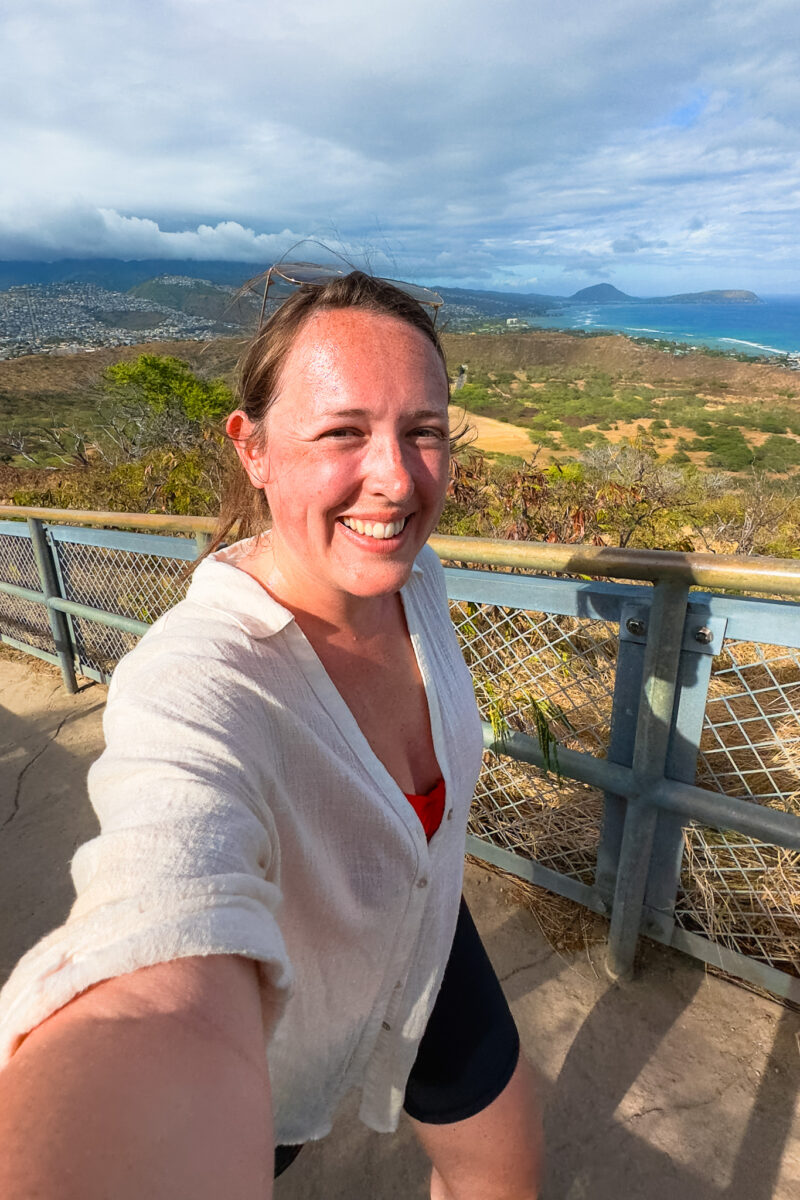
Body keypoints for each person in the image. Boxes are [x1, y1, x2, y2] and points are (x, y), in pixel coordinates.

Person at [0, 269, 542, 1199]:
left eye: (425, 432)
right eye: (343, 432)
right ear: (252, 449)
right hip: (283, 1030)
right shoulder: (198, 677)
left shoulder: (419, 581)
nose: (399, 478)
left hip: (425, 935)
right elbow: (164, 899)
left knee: (506, 1171)